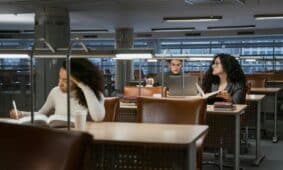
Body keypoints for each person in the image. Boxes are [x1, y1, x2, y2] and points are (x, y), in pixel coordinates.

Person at [10, 58, 105, 121]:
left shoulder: (94, 95)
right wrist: (21, 114)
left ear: (79, 81)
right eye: (59, 78)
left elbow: (98, 118)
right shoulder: (55, 92)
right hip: (60, 137)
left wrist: (84, 87)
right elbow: (41, 114)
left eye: (65, 80)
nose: (60, 84)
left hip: (81, 139)